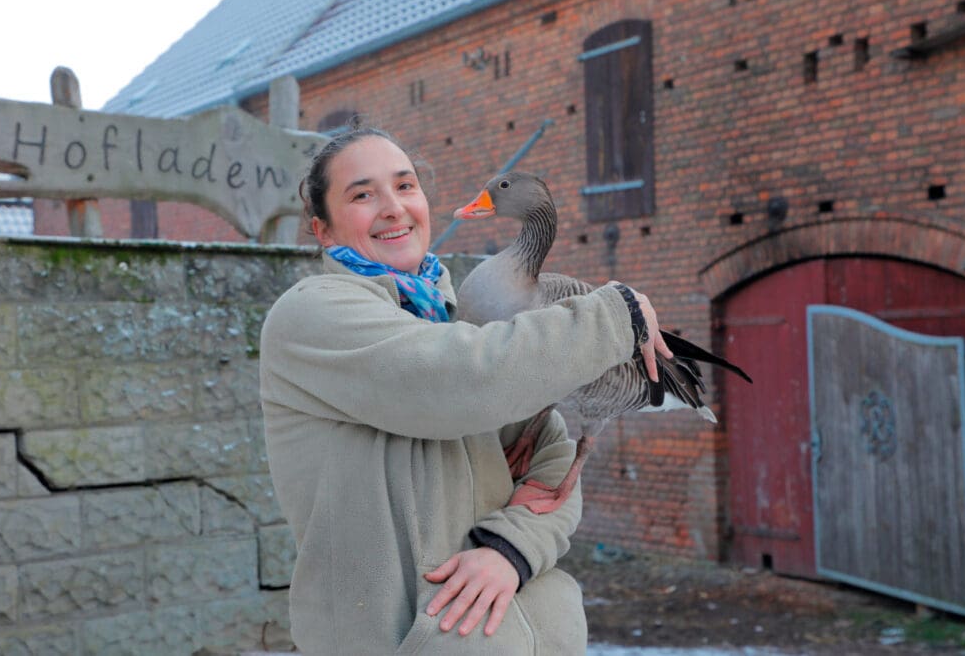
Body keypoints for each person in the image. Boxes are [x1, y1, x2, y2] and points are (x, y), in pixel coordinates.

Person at [259, 126, 672, 654]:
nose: (392, 208)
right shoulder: (311, 315)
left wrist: (509, 550)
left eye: (405, 186)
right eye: (363, 194)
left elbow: (554, 461)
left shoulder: (454, 315)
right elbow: (456, 383)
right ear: (323, 230)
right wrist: (613, 316)